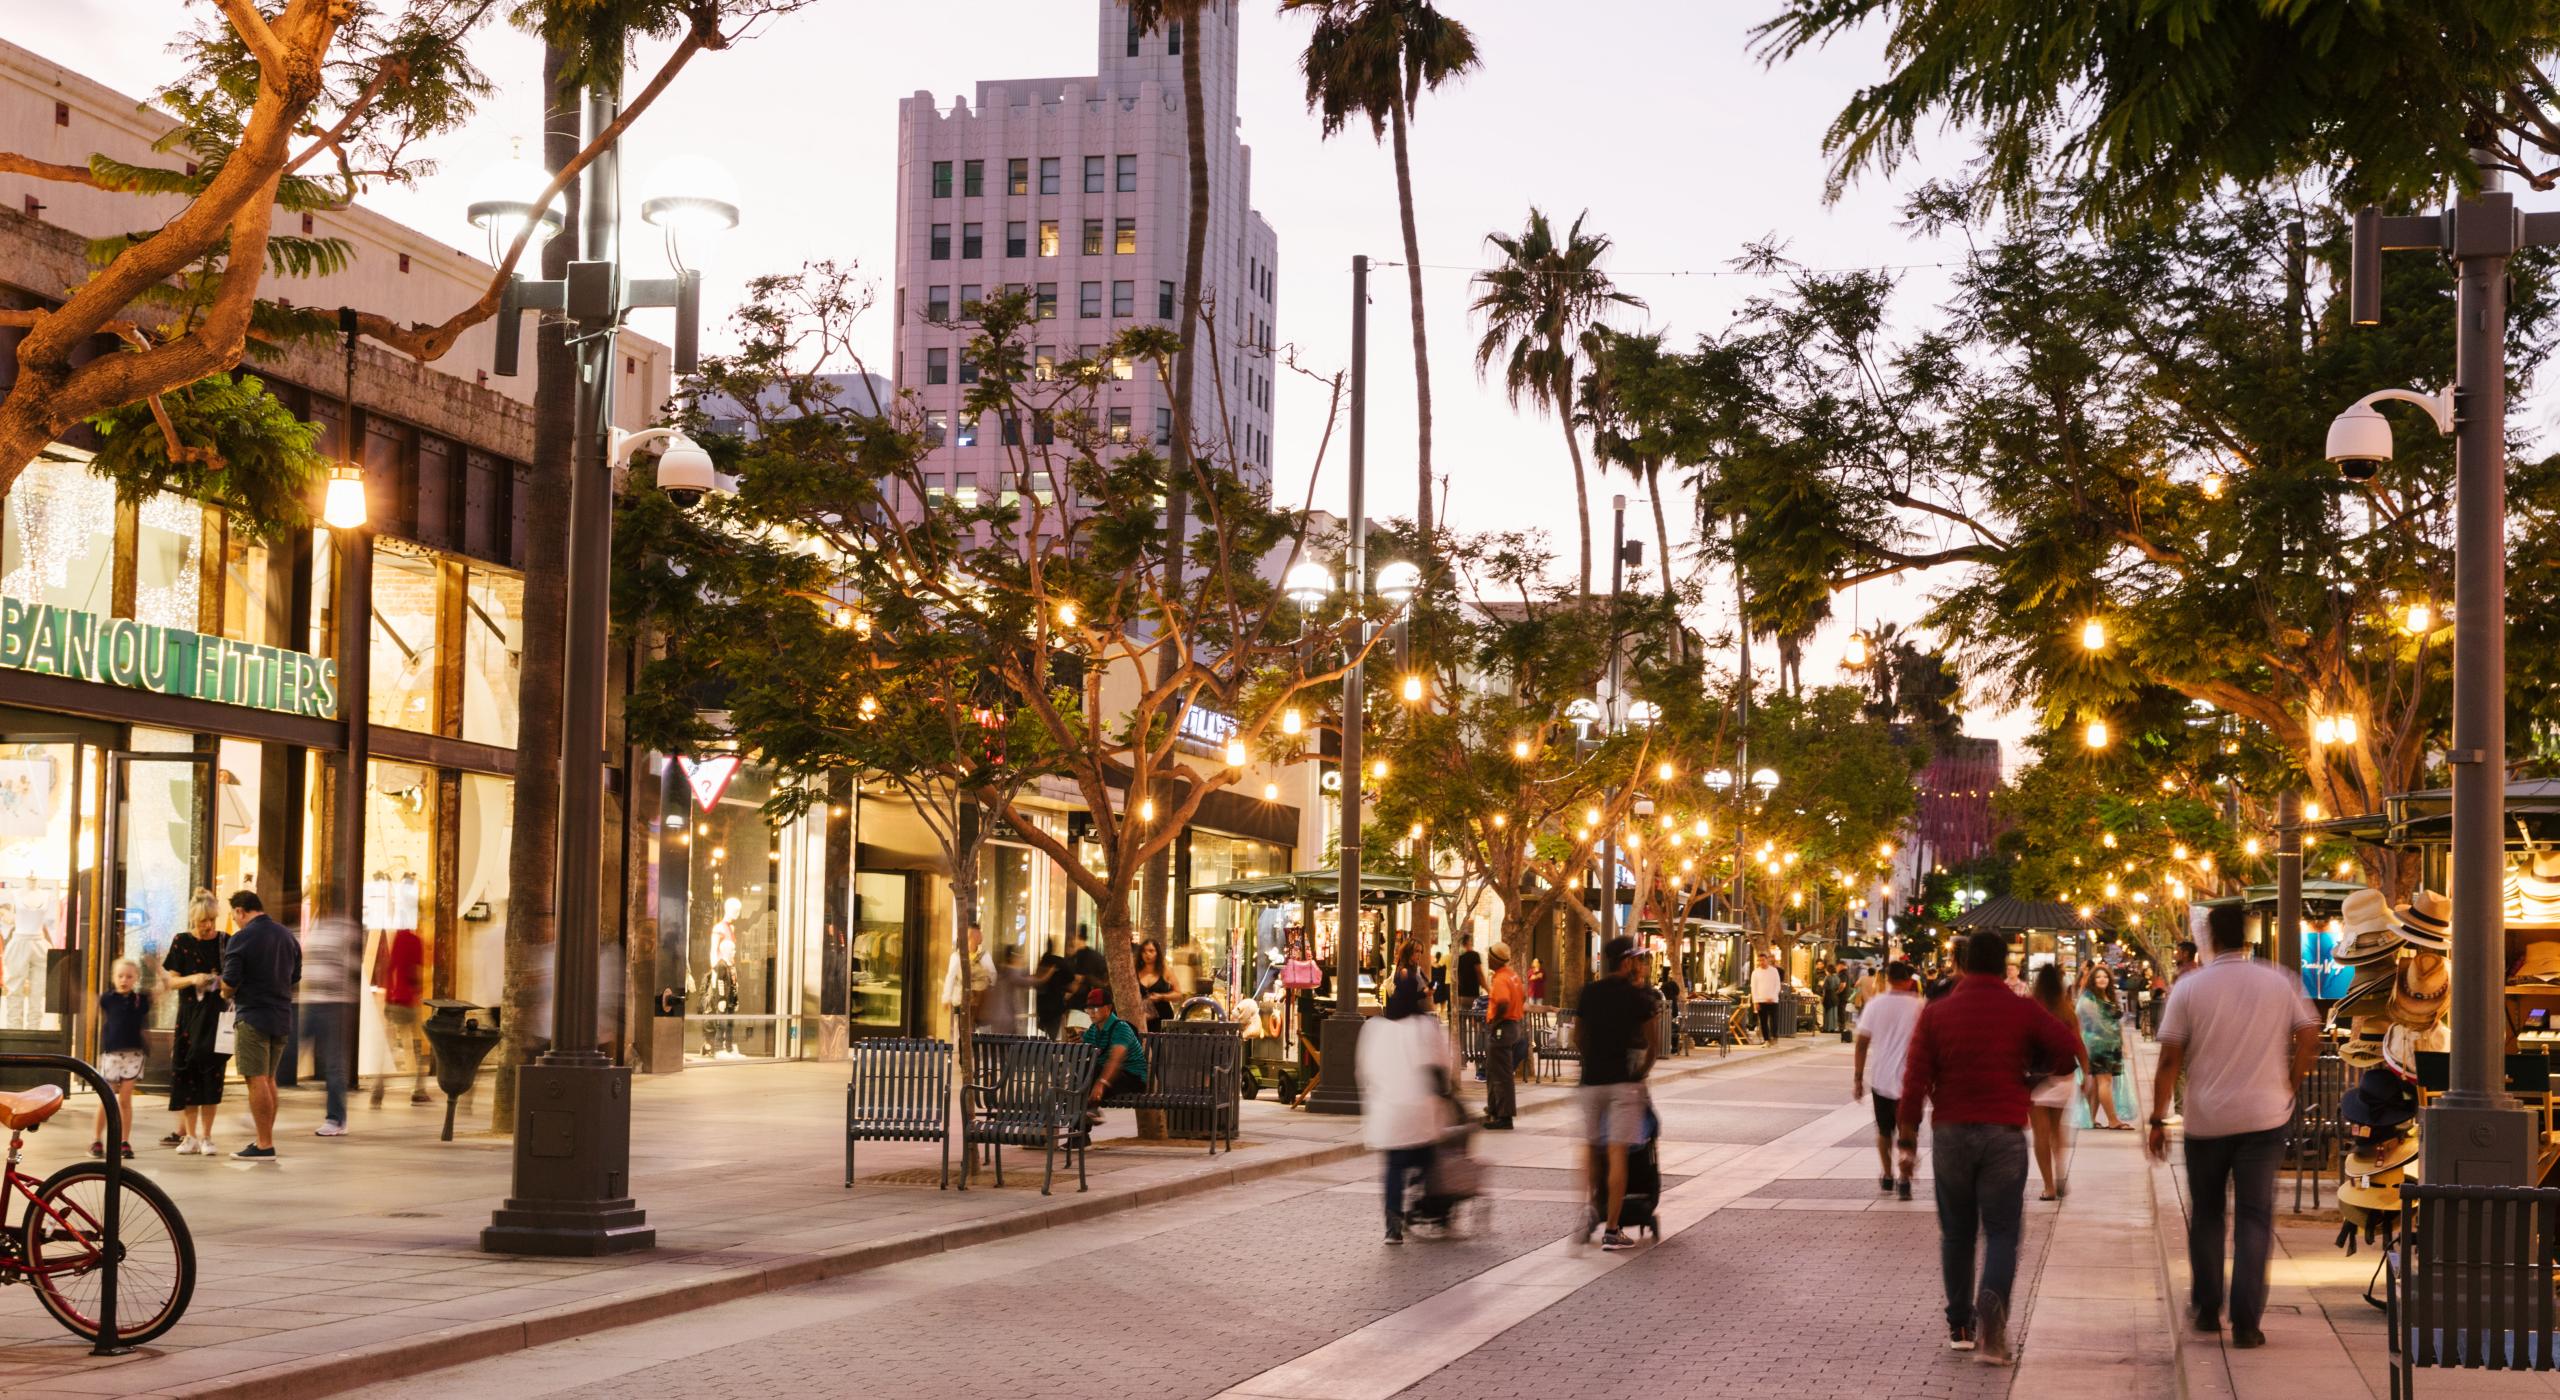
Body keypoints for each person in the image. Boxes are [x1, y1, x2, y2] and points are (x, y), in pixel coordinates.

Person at [1897, 930, 2087, 1361]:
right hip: (2003, 1132)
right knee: (2002, 1231)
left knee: (1957, 1234)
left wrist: (1907, 1141)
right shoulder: (2020, 1010)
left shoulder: (1937, 1013)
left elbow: (1914, 1077)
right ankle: (1993, 1303)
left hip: (1950, 1132)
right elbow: (2067, 1049)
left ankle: (1960, 1325)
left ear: (1963, 965)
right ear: (2004, 965)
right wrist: (2032, 1078)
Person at [2149, 903, 2319, 1349]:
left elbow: (2169, 1058)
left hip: (2206, 1119)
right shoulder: (2279, 980)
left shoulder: (2190, 987)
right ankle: (2246, 1321)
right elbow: (2310, 1036)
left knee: (2206, 1214)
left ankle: (2207, 1307)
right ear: (2246, 937)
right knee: (2254, 1217)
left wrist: (2156, 1116)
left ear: (2212, 938)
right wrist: (2291, 1082)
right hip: (2265, 1117)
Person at [1575, 935, 1657, 1252]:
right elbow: (1653, 1045)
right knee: (1617, 1152)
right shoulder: (1637, 997)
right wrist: (1641, 1073)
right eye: (1635, 959)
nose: (1638, 964)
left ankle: (1588, 1210)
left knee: (1592, 1149)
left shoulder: (1589, 992)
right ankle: (1612, 1229)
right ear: (1626, 962)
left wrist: (1592, 1059)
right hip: (1623, 1082)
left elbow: (1577, 1037)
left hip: (1591, 1082)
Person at [1358, 970, 1452, 1245]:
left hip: (1388, 1115)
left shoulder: (1374, 1028)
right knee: (1429, 1161)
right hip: (1420, 1114)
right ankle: (1425, 1207)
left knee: (1393, 1167)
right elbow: (1442, 1066)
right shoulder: (1425, 1027)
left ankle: (1392, 1226)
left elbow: (1365, 1070)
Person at [220, 890, 299, 1160]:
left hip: (253, 1015)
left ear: (241, 911)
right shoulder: (287, 936)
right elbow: (295, 975)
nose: (236, 922)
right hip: (282, 1015)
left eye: (235, 916)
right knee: (268, 1079)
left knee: (255, 1080)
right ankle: (265, 1139)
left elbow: (229, 983)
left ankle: (264, 1144)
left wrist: (223, 992)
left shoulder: (242, 938)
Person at [164, 891, 230, 1154]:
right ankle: (190, 1136)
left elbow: (234, 978)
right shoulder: (181, 942)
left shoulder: (226, 942)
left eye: (212, 920)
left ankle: (207, 1136)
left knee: (212, 1074)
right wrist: (193, 979)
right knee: (188, 1072)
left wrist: (219, 982)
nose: (208, 926)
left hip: (216, 1017)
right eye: (203, 920)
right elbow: (171, 981)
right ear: (193, 918)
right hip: (189, 1017)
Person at [1853, 960, 1923, 1200]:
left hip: (1881, 1077)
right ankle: (1905, 1177)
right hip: (1911, 1077)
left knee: (1884, 1130)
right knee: (1909, 1127)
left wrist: (1858, 1078)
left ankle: (1886, 1175)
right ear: (1907, 979)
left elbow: (1862, 1043)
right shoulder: (1918, 1006)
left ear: (1888, 980)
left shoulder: (1874, 1005)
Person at [2027, 963, 2085, 1200]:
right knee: (2058, 1131)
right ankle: (2060, 1173)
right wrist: (2086, 1074)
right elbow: (2078, 1044)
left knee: (2040, 1135)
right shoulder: (2067, 1010)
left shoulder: (2031, 1008)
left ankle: (2049, 1186)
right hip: (2063, 1076)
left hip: (2037, 1078)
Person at [300, 914, 359, 1137]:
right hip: (314, 1001)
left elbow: (353, 964)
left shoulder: (348, 929)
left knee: (334, 1064)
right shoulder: (316, 925)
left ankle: (336, 1119)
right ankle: (260, 1106)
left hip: (337, 1004)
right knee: (289, 1051)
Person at [370, 923, 431, 1108]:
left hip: (392, 999)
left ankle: (378, 1089)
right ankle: (419, 1090)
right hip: (409, 1000)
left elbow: (390, 968)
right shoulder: (415, 941)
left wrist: (389, 996)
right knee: (417, 1044)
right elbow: (416, 972)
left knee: (389, 1045)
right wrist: (418, 991)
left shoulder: (397, 940)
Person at [91, 957, 147, 1158]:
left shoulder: (140, 1000)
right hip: (112, 1055)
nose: (124, 980)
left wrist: (157, 968)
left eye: (129, 976)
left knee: (125, 1100)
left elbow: (162, 991)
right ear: (113, 978)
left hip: (134, 1054)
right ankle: (97, 1139)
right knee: (106, 1098)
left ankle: (124, 1141)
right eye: (120, 976)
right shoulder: (108, 999)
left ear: (136, 979)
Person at [2078, 965, 2132, 1130]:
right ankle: (2113, 1120)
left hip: (2111, 1045)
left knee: (2097, 1084)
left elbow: (2117, 1023)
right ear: (2093, 980)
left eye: (2105, 977)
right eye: (2098, 977)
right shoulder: (2088, 998)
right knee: (2105, 1081)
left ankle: (2091, 1119)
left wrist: (2124, 1043)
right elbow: (2087, 1023)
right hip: (2098, 1046)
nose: (2102, 979)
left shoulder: (2108, 996)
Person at [1079, 986, 1148, 1114]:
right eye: (1088, 1009)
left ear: (1108, 1008)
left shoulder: (1121, 1028)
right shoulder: (1094, 1029)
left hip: (1132, 1078)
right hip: (1109, 1075)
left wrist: (1101, 1084)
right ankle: (1085, 1120)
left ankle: (1087, 1114)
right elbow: (1084, 1049)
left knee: (1086, 1080)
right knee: (1081, 1072)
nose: (1091, 1013)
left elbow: (1115, 1060)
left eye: (1095, 1008)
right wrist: (1075, 1040)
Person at [1482, 943, 1525, 1129]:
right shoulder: (1512, 976)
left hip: (1503, 1027)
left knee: (1500, 1073)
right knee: (1495, 1071)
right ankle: (1494, 1109)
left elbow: (1503, 1002)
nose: (1487, 960)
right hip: (1513, 1026)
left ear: (1495, 959)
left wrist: (1496, 1021)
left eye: (1489, 957)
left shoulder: (1500, 978)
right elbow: (1522, 998)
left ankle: (1504, 1116)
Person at [943, 920, 996, 1032]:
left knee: (978, 1032)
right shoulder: (957, 957)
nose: (972, 939)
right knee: (961, 1031)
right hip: (961, 1000)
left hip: (980, 1002)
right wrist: (946, 998)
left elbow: (993, 975)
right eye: (970, 936)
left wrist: (987, 988)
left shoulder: (984, 956)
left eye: (975, 936)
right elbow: (951, 977)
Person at [1134, 938, 1177, 1030]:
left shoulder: (1166, 971)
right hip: (1141, 1019)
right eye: (1144, 951)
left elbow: (1178, 993)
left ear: (1157, 953)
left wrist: (1162, 996)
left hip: (1162, 1017)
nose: (1147, 954)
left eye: (1151, 951)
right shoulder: (1135, 971)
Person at [1033, 950, 1072, 1038]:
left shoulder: (1045, 969)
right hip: (1054, 1008)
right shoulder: (1060, 966)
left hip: (1046, 1009)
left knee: (1050, 1033)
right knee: (1052, 1034)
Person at [1065, 925, 1109, 1001]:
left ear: (1079, 938)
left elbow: (1104, 983)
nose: (1073, 941)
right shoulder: (1076, 957)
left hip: (1090, 1001)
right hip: (1084, 1001)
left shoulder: (1090, 957)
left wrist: (1084, 979)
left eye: (1074, 938)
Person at [1750, 950, 1784, 1044]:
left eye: (1763, 960)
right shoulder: (1755, 973)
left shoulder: (1774, 971)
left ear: (1767, 960)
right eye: (1759, 960)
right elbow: (1754, 987)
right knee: (1763, 1021)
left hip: (1773, 1000)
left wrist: (1773, 996)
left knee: (1774, 1020)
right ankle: (1766, 1039)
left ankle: (1774, 1036)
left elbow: (1777, 985)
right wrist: (1755, 1002)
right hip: (1760, 1000)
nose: (1761, 962)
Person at [1455, 933, 1484, 1007]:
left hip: (1461, 994)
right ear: (1469, 941)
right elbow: (1479, 973)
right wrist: (1487, 988)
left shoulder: (1460, 958)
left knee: (1462, 1017)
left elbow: (1457, 977)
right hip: (1472, 993)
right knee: (1473, 1016)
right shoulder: (1475, 955)